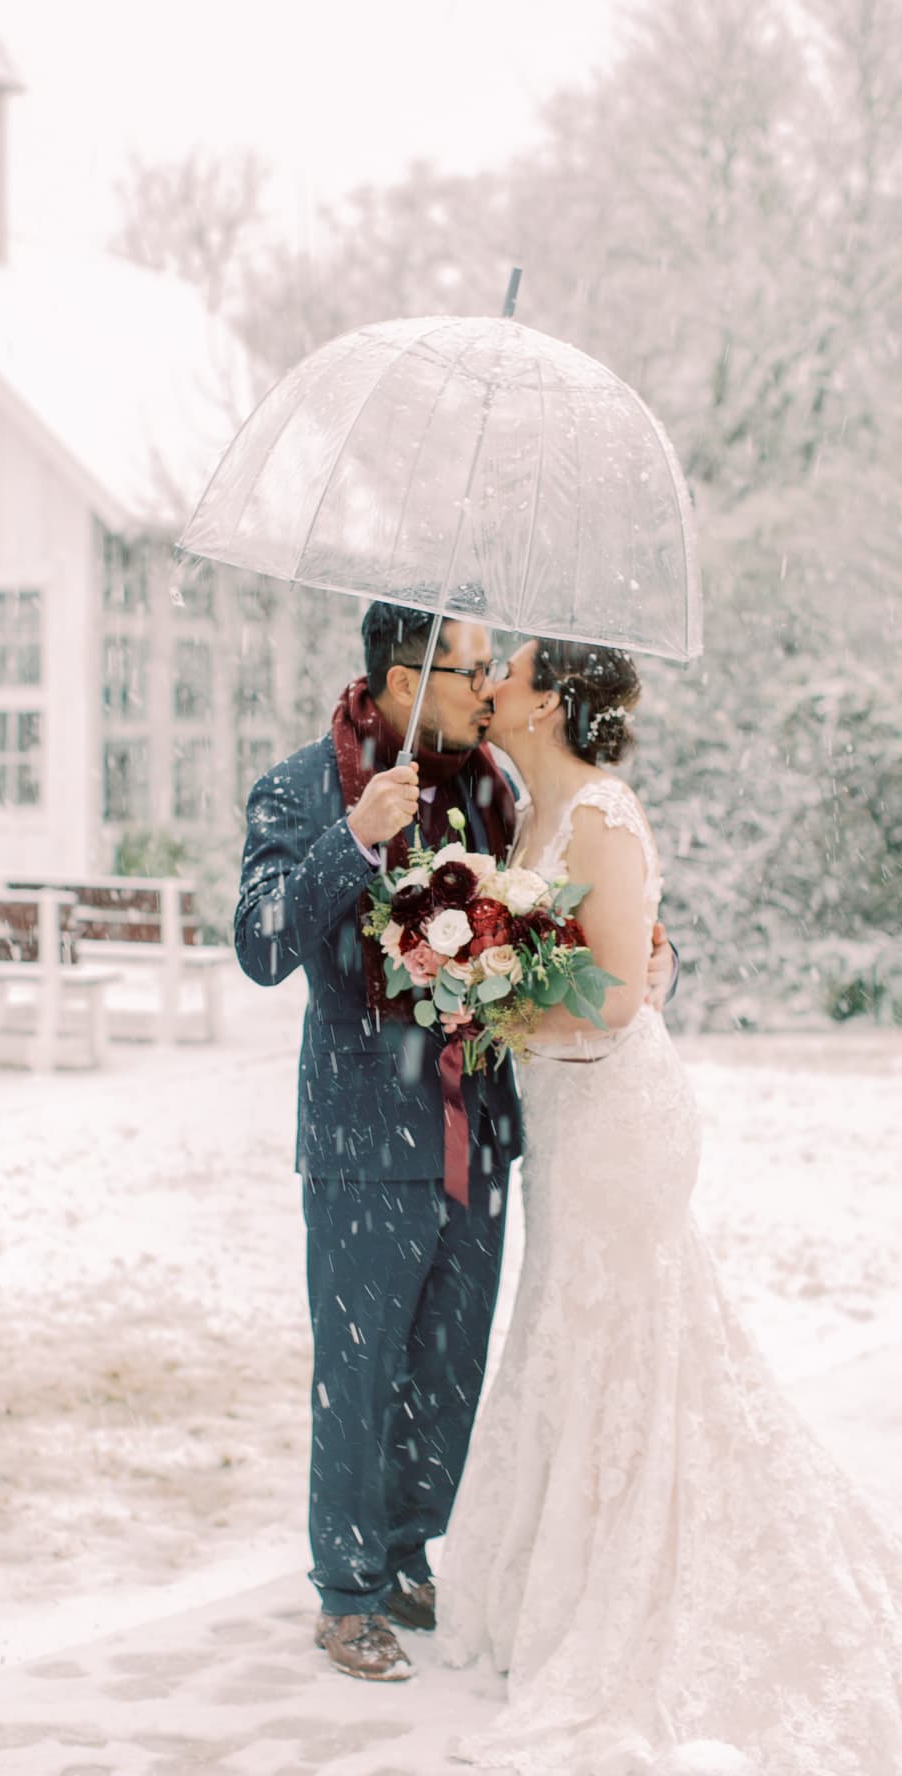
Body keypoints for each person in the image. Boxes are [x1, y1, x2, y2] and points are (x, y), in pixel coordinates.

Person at [437, 637, 902, 1775]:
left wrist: (489, 1009)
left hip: (617, 1122)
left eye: (506, 672)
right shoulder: (522, 818)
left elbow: (611, 1001)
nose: (489, 687)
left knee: (629, 1342)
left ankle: (639, 1586)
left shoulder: (600, 817)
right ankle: (571, 1574)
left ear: (550, 702)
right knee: (574, 1333)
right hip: (566, 1129)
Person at [234, 603, 678, 1683]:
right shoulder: (303, 788)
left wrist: (654, 965)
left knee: (446, 1369)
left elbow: (573, 920)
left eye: (493, 671)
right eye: (468, 671)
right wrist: (354, 843)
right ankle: (344, 1595)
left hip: (478, 1131)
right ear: (399, 681)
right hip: (363, 1134)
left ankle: (403, 1553)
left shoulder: (492, 786)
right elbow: (256, 944)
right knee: (360, 1366)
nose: (486, 691)